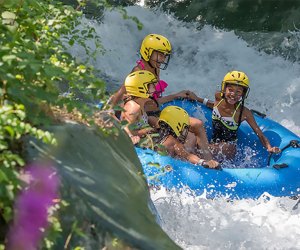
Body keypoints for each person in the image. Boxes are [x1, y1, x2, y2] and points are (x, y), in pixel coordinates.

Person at [109, 33, 216, 162]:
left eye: (165, 55)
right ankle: (187, 159)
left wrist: (175, 95)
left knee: (197, 126)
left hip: (153, 112)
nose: (163, 59)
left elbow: (153, 99)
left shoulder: (155, 68)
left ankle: (203, 157)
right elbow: (121, 95)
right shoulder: (138, 72)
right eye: (160, 54)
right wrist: (110, 112)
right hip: (148, 116)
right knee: (192, 132)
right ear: (147, 52)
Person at [121, 70, 219, 169]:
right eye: (150, 85)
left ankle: (201, 161)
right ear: (140, 88)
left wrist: (156, 125)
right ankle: (198, 162)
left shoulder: (140, 103)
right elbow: (125, 128)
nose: (154, 88)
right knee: (173, 143)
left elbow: (146, 118)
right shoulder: (133, 107)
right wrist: (139, 133)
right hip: (143, 140)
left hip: (148, 135)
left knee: (179, 140)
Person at [198, 70, 281, 159]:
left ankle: (199, 154)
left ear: (243, 94)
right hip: (213, 143)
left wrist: (269, 148)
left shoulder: (244, 112)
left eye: (238, 92)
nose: (233, 94)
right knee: (195, 131)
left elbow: (260, 134)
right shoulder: (218, 97)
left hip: (228, 149)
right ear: (224, 88)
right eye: (230, 90)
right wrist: (196, 98)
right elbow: (213, 105)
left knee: (222, 147)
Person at [154, 105, 219, 169]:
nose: (187, 129)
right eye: (186, 127)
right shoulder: (173, 143)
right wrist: (203, 162)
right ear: (178, 127)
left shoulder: (159, 136)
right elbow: (188, 156)